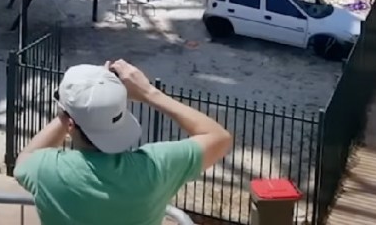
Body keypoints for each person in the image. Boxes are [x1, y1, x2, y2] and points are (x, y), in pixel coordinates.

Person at [13, 59, 233, 225]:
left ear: (70, 124)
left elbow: (24, 159)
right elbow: (219, 138)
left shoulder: (46, 170)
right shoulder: (155, 167)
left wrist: (71, 110)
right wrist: (149, 92)